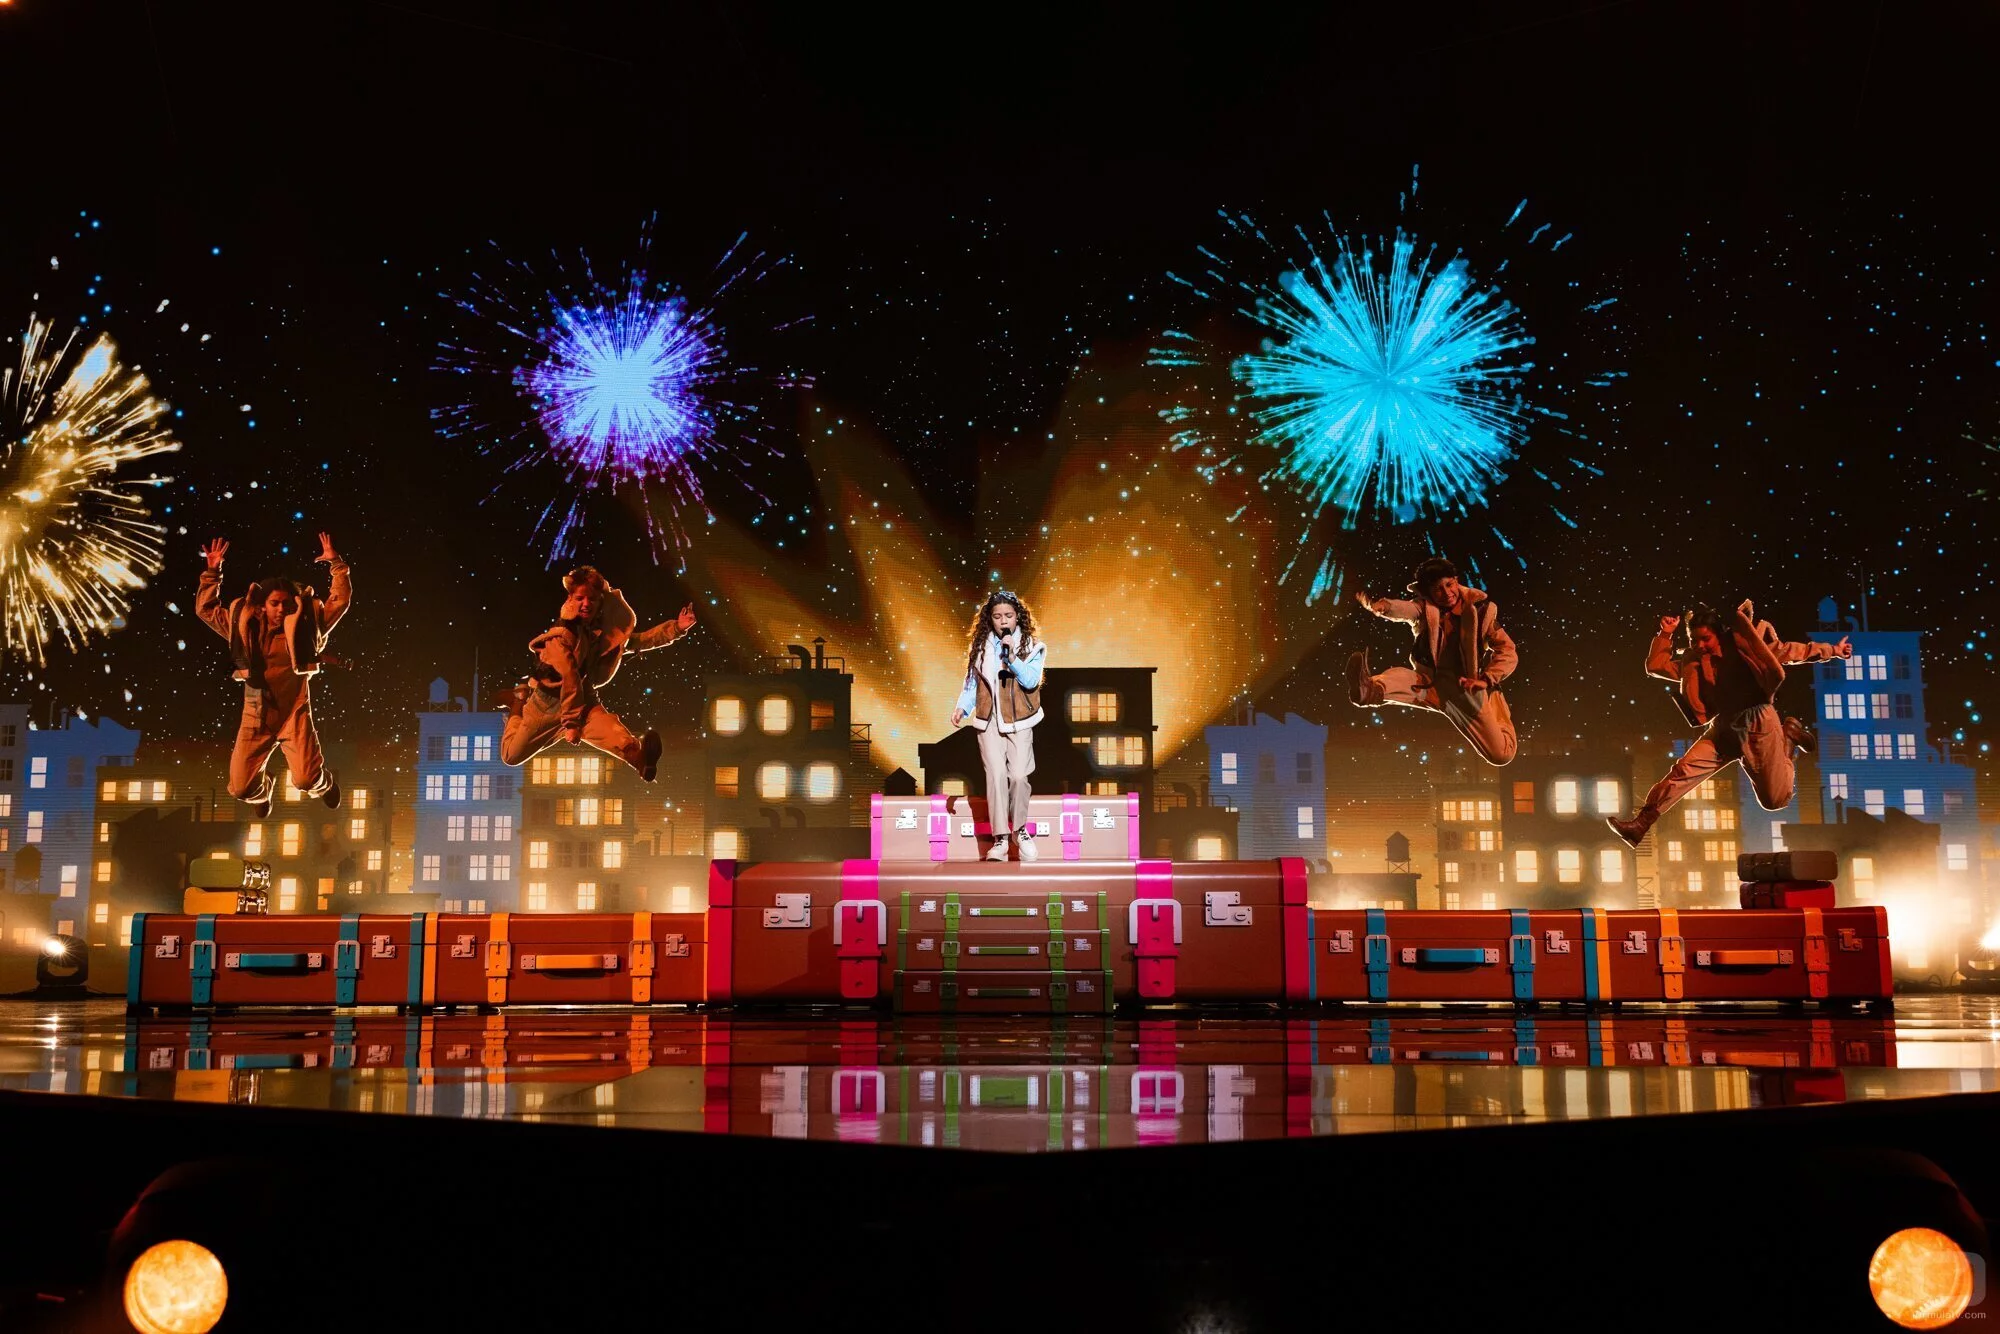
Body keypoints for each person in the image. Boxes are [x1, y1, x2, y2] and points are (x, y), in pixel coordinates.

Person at [1607, 601, 1852, 847]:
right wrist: (1665, 634)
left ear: (1719, 634)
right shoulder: (1694, 661)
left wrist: (1833, 650)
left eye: (1706, 639)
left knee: (1774, 800)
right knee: (1683, 771)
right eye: (1694, 640)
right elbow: (1656, 666)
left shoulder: (1743, 648)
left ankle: (1788, 737)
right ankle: (1640, 824)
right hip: (1724, 728)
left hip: (1757, 723)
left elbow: (1790, 651)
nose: (1700, 645)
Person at [196, 532, 352, 819]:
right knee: (241, 788)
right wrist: (212, 571)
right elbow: (206, 610)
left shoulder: (307, 626)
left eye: (286, 604)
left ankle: (324, 784)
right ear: (261, 606)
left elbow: (339, 601)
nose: (281, 610)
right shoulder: (244, 626)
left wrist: (336, 564)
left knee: (306, 780)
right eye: (274, 603)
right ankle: (263, 791)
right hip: (256, 713)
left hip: (294, 712)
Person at [493, 565, 693, 780]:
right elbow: (569, 677)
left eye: (592, 599)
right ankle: (517, 701)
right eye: (580, 598)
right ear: (570, 599)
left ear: (600, 602)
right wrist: (571, 724)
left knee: (610, 731)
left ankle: (638, 758)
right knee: (510, 755)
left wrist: (676, 628)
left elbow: (637, 641)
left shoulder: (599, 631)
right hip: (548, 705)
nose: (586, 604)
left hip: (582, 697)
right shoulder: (561, 637)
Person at [1348, 556, 1519, 766]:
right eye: (1438, 589)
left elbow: (1507, 650)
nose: (1446, 593)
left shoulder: (1482, 612)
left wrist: (1487, 679)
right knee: (1403, 680)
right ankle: (1367, 689)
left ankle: (1495, 706)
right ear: (1428, 592)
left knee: (1502, 755)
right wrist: (1384, 606)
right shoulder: (1424, 608)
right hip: (1432, 685)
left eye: (1449, 584)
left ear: (1456, 580)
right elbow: (1406, 609)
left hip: (1466, 691)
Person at [951, 589, 1048, 862]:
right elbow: (973, 683)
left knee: (1018, 776)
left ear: (1018, 616)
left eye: (1008, 615)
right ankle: (1001, 839)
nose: (1003, 621)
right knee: (995, 776)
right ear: (989, 619)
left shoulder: (1032, 646)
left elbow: (1030, 681)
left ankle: (1019, 830)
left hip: (1020, 721)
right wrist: (962, 707)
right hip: (989, 720)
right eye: (997, 616)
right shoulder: (981, 647)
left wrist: (1012, 658)